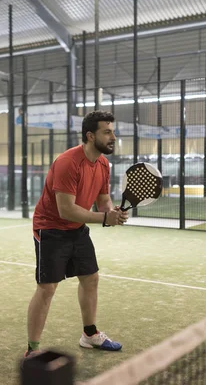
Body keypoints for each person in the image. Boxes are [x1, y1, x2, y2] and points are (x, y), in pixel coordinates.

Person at [25, 111, 128, 358]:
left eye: (113, 131)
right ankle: (32, 350)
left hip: (76, 229)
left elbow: (103, 200)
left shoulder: (103, 163)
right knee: (47, 288)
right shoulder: (68, 162)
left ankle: (89, 335)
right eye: (107, 131)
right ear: (90, 136)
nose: (113, 136)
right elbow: (66, 209)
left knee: (90, 278)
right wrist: (104, 218)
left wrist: (112, 211)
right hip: (50, 228)